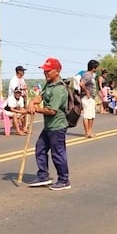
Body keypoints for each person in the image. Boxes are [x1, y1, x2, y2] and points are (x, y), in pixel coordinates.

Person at [27, 57, 71, 191]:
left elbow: (52, 110)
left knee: (57, 153)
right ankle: (43, 175)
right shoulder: (48, 84)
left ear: (56, 71)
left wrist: (36, 109)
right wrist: (32, 102)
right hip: (49, 126)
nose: (45, 73)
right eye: (44, 70)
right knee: (40, 148)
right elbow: (40, 96)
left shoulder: (59, 89)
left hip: (57, 126)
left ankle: (64, 180)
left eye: (48, 71)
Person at [80, 59, 98, 138]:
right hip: (87, 97)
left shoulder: (90, 75)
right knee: (87, 115)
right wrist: (87, 91)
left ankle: (89, 131)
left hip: (91, 97)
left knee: (91, 115)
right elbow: (81, 84)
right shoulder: (88, 75)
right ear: (93, 68)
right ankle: (87, 132)